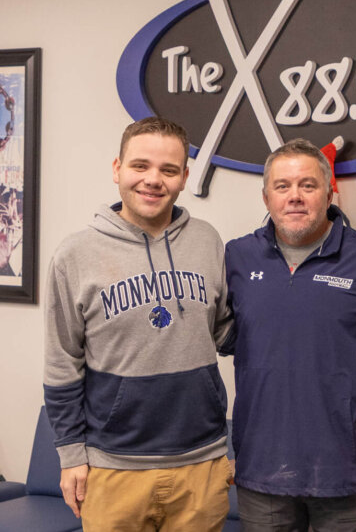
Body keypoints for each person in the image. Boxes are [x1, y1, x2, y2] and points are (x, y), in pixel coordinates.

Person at [43, 116, 233, 530]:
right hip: (113, 467)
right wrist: (71, 455)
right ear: (117, 169)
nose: (153, 180)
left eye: (168, 170)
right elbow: (62, 365)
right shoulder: (74, 255)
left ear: (184, 177)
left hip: (201, 461)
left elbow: (225, 332)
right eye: (140, 166)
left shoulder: (207, 241)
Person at [221, 139, 356, 531]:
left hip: (346, 474)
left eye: (308, 185)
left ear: (331, 192)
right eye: (282, 186)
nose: (294, 197)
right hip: (261, 472)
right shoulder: (236, 258)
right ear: (266, 197)